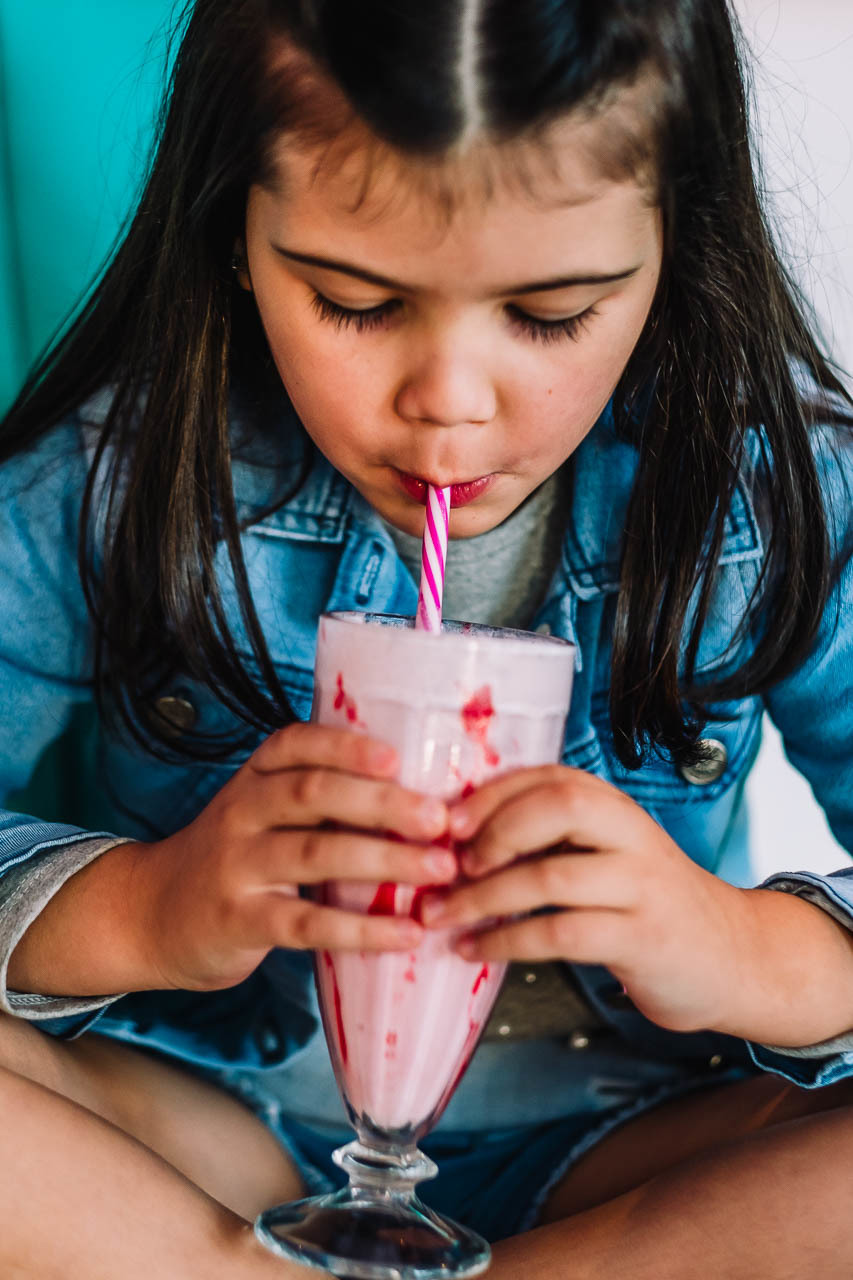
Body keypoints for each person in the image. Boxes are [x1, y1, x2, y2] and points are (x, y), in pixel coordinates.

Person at [1, 0, 852, 1275]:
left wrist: (746, 950)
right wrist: (144, 906)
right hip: (212, 1125)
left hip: (634, 1141)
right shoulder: (118, 481)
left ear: (679, 237)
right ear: (234, 229)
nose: (448, 403)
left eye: (553, 312)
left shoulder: (771, 493)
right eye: (353, 299)